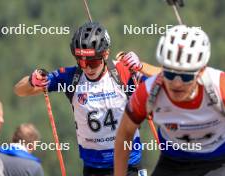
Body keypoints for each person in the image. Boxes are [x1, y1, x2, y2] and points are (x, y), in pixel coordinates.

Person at [14, 21, 160, 176]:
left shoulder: (123, 72)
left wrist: (142, 67)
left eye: (93, 62)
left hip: (129, 164)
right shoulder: (71, 77)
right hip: (94, 168)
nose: (88, 68)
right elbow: (20, 90)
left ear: (105, 54)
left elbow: (168, 81)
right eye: (82, 62)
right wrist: (32, 81)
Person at [114, 25, 225, 176]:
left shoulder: (221, 86)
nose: (177, 83)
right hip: (174, 161)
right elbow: (124, 134)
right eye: (169, 74)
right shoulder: (149, 92)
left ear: (201, 72)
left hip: (218, 160)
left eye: (186, 76)